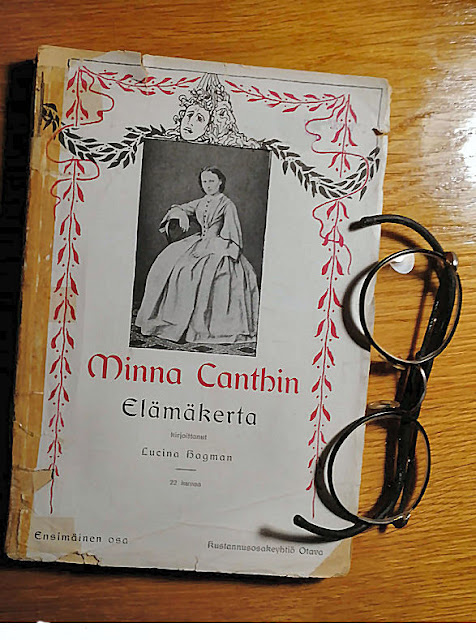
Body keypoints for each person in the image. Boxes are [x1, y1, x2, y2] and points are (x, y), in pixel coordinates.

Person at [135, 167, 259, 345]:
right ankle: (172, 318)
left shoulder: (227, 204)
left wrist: (219, 249)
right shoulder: (202, 202)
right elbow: (179, 208)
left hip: (219, 245)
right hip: (199, 240)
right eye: (204, 182)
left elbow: (233, 233)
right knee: (169, 264)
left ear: (220, 182)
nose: (208, 185)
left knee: (202, 273)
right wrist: (182, 215)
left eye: (211, 181)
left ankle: (200, 326)